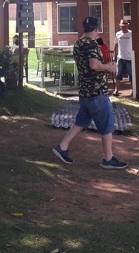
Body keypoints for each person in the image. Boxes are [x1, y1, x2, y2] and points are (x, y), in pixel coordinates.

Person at [52, 17, 128, 170]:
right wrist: (109, 67)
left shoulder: (78, 43)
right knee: (107, 124)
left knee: (82, 121)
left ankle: (63, 146)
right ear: (96, 29)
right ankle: (108, 158)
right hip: (97, 91)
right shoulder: (92, 43)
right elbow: (94, 65)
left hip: (85, 91)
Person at [113, 20, 134, 96]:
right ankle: (116, 90)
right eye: (122, 26)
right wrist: (114, 55)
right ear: (120, 26)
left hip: (129, 58)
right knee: (118, 74)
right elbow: (115, 45)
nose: (123, 28)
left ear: (127, 26)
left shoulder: (131, 33)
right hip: (120, 57)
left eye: (125, 26)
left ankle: (133, 90)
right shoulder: (118, 34)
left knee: (131, 75)